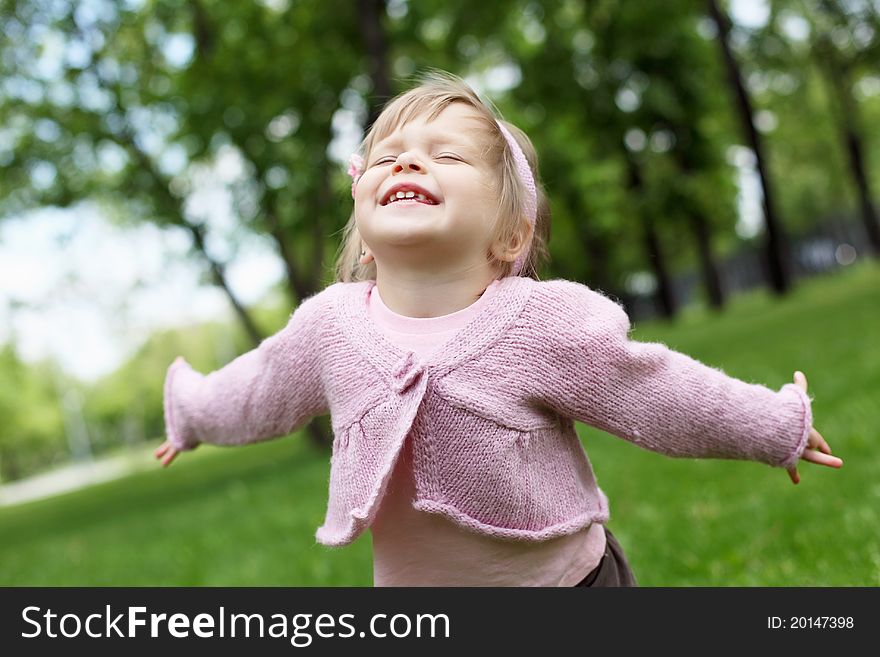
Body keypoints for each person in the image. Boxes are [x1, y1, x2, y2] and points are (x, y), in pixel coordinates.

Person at [155, 69, 842, 587]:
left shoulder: (539, 324)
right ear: (364, 230)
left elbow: (655, 392)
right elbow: (259, 388)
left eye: (446, 156)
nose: (407, 160)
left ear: (510, 233)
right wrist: (191, 410)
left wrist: (770, 424)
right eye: (388, 154)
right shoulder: (330, 325)